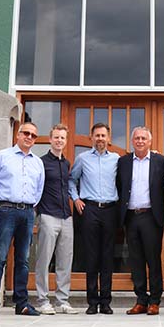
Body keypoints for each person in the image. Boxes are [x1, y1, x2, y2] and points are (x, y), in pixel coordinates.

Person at [0, 122, 45, 318]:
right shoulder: (2, 156)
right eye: (26, 133)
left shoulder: (38, 162)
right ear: (17, 135)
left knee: (23, 260)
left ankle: (22, 303)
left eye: (33, 135)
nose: (29, 137)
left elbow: (38, 190)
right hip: (6, 210)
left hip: (27, 212)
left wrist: (30, 208)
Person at [116, 126, 164, 316]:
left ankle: (155, 301)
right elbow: (119, 187)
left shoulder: (161, 161)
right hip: (131, 217)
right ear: (132, 141)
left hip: (151, 217)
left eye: (143, 138)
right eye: (137, 138)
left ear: (150, 141)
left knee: (153, 260)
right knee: (136, 260)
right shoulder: (123, 162)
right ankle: (141, 300)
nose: (140, 141)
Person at [68, 122, 119, 315]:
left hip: (109, 210)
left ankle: (105, 301)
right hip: (89, 210)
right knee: (91, 256)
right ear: (91, 138)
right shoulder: (82, 159)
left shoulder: (116, 159)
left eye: (103, 135)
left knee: (107, 257)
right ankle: (92, 302)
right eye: (97, 135)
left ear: (108, 138)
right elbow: (72, 180)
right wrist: (76, 199)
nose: (100, 139)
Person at [35, 123, 78, 315]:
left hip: (66, 216)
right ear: (50, 139)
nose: (59, 140)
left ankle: (62, 301)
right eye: (56, 137)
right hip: (48, 215)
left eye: (62, 138)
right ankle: (43, 300)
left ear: (65, 141)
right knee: (44, 260)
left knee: (64, 261)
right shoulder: (41, 162)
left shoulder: (66, 163)